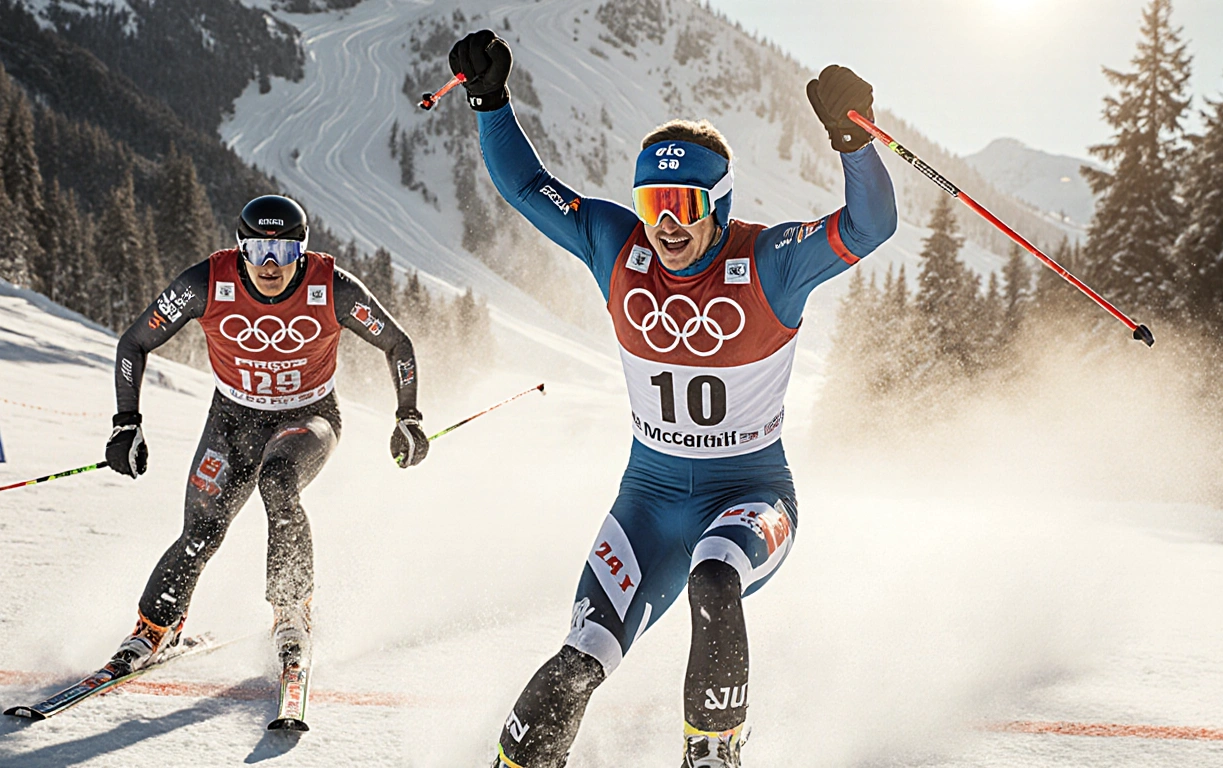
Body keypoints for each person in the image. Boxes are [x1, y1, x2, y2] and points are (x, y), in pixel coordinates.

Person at [449, 29, 897, 768]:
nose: (665, 224)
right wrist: (490, 102)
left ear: (718, 205)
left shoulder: (769, 262)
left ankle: (712, 752)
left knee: (716, 576)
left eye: (684, 204)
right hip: (647, 504)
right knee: (578, 660)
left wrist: (852, 140)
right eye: (652, 201)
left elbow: (868, 227)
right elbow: (528, 189)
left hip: (751, 495)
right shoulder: (614, 246)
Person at [103, 194, 429, 671]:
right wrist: (126, 423)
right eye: (257, 251)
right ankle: (156, 627)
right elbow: (135, 342)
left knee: (277, 482)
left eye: (286, 253)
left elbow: (397, 344)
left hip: (308, 416)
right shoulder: (205, 284)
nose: (271, 265)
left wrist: (408, 416)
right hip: (233, 421)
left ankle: (292, 612)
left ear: (303, 251)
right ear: (240, 249)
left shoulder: (333, 287)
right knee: (201, 530)